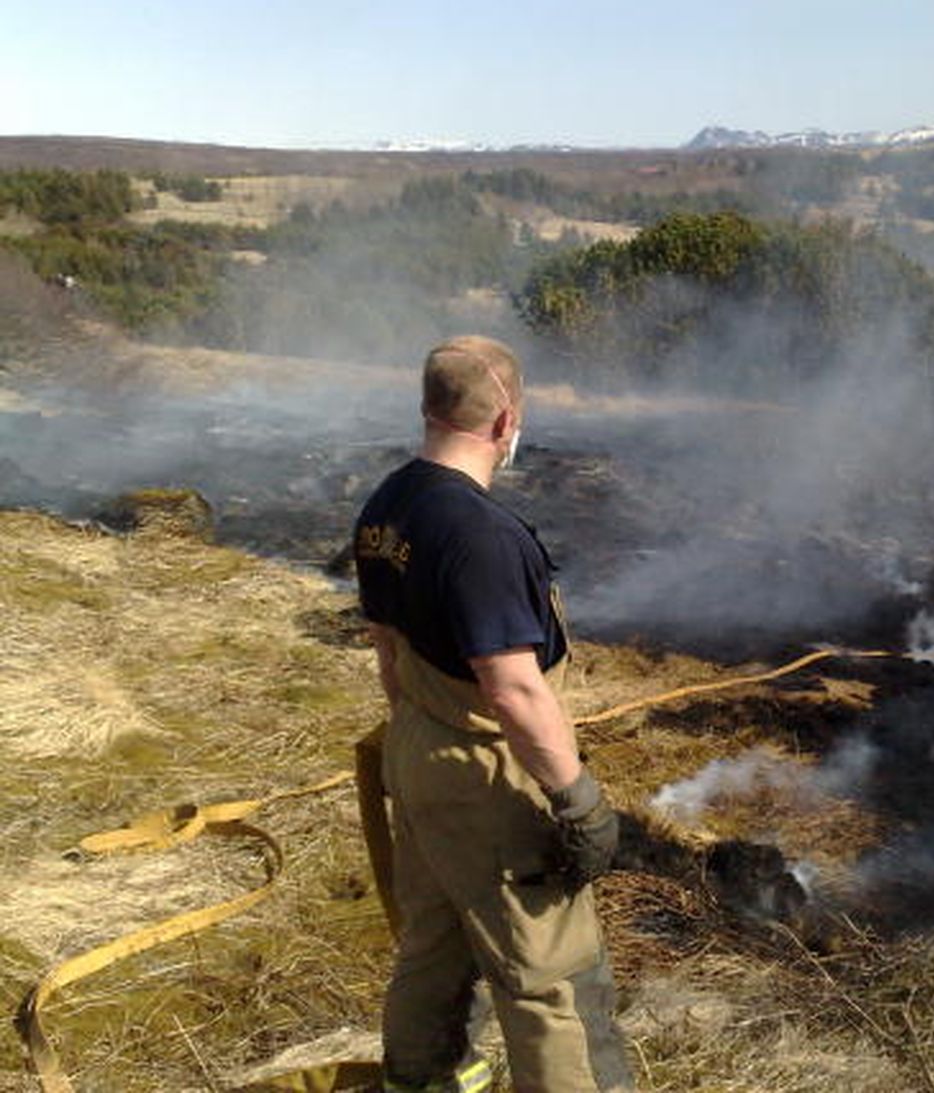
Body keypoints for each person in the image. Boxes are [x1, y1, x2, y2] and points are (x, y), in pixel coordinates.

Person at [353, 335, 632, 1093]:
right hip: (487, 775)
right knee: (555, 979)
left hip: (418, 749)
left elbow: (389, 653)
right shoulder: (480, 535)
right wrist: (578, 799)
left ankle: (420, 1079)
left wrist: (422, 748)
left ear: (428, 405)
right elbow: (514, 689)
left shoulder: (387, 505)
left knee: (436, 945)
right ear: (507, 419)